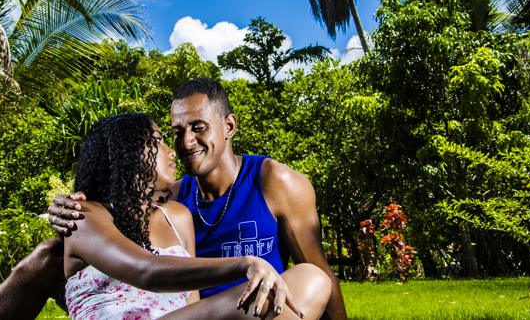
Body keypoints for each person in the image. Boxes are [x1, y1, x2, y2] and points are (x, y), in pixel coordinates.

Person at [0, 79, 346, 320]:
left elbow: (321, 270)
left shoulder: (274, 182)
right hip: (187, 309)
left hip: (246, 309)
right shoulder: (174, 197)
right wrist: (64, 208)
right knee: (48, 255)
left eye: (198, 128)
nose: (183, 144)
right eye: (174, 133)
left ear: (229, 126)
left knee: (312, 279)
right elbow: (124, 222)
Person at [54, 112, 330, 320]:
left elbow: (192, 304)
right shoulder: (82, 214)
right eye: (159, 141)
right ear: (126, 154)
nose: (173, 149)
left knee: (311, 279)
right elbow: (146, 271)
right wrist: (245, 264)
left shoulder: (177, 216)